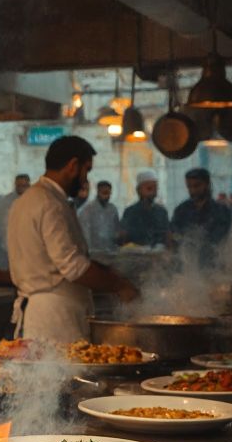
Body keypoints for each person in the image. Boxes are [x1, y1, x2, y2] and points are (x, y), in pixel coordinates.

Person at [7, 137, 138, 342]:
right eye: (86, 170)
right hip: (56, 318)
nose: (86, 179)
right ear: (73, 165)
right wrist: (119, 285)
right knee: (64, 373)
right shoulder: (49, 203)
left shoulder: (28, 200)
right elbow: (73, 266)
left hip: (45, 313)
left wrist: (107, 271)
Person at [170, 167, 231, 249]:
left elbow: (222, 239)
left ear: (207, 184)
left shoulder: (221, 211)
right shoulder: (181, 211)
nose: (193, 190)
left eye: (197, 186)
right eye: (189, 187)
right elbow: (174, 235)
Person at [120, 170, 169, 247]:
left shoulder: (162, 212)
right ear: (138, 190)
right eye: (149, 189)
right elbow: (124, 239)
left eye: (155, 189)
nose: (153, 192)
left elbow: (166, 236)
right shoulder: (130, 212)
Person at [0, 174, 31, 267]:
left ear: (29, 185)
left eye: (24, 186)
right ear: (15, 185)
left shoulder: (36, 201)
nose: (22, 189)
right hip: (8, 251)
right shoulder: (5, 203)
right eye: (19, 186)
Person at [78, 180, 120, 254]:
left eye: (108, 193)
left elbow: (116, 230)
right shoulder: (87, 210)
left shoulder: (113, 209)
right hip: (94, 252)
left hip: (111, 251)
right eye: (104, 193)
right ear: (98, 192)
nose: (106, 196)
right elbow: (85, 234)